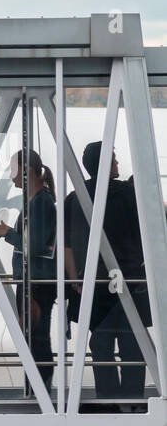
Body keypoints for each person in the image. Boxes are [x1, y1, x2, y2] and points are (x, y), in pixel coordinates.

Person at [63, 142, 148, 406]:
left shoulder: (75, 197)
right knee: (132, 342)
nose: (118, 164)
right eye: (113, 160)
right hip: (130, 281)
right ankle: (133, 399)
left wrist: (74, 278)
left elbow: (65, 244)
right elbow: (147, 235)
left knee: (100, 343)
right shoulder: (128, 195)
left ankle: (108, 399)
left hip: (94, 283)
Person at [0, 149, 57, 395]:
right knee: (33, 337)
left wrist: (8, 234)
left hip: (35, 282)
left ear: (26, 172)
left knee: (36, 338)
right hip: (31, 281)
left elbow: (34, 245)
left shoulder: (41, 203)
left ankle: (39, 388)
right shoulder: (36, 202)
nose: (11, 175)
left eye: (13, 170)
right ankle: (36, 386)